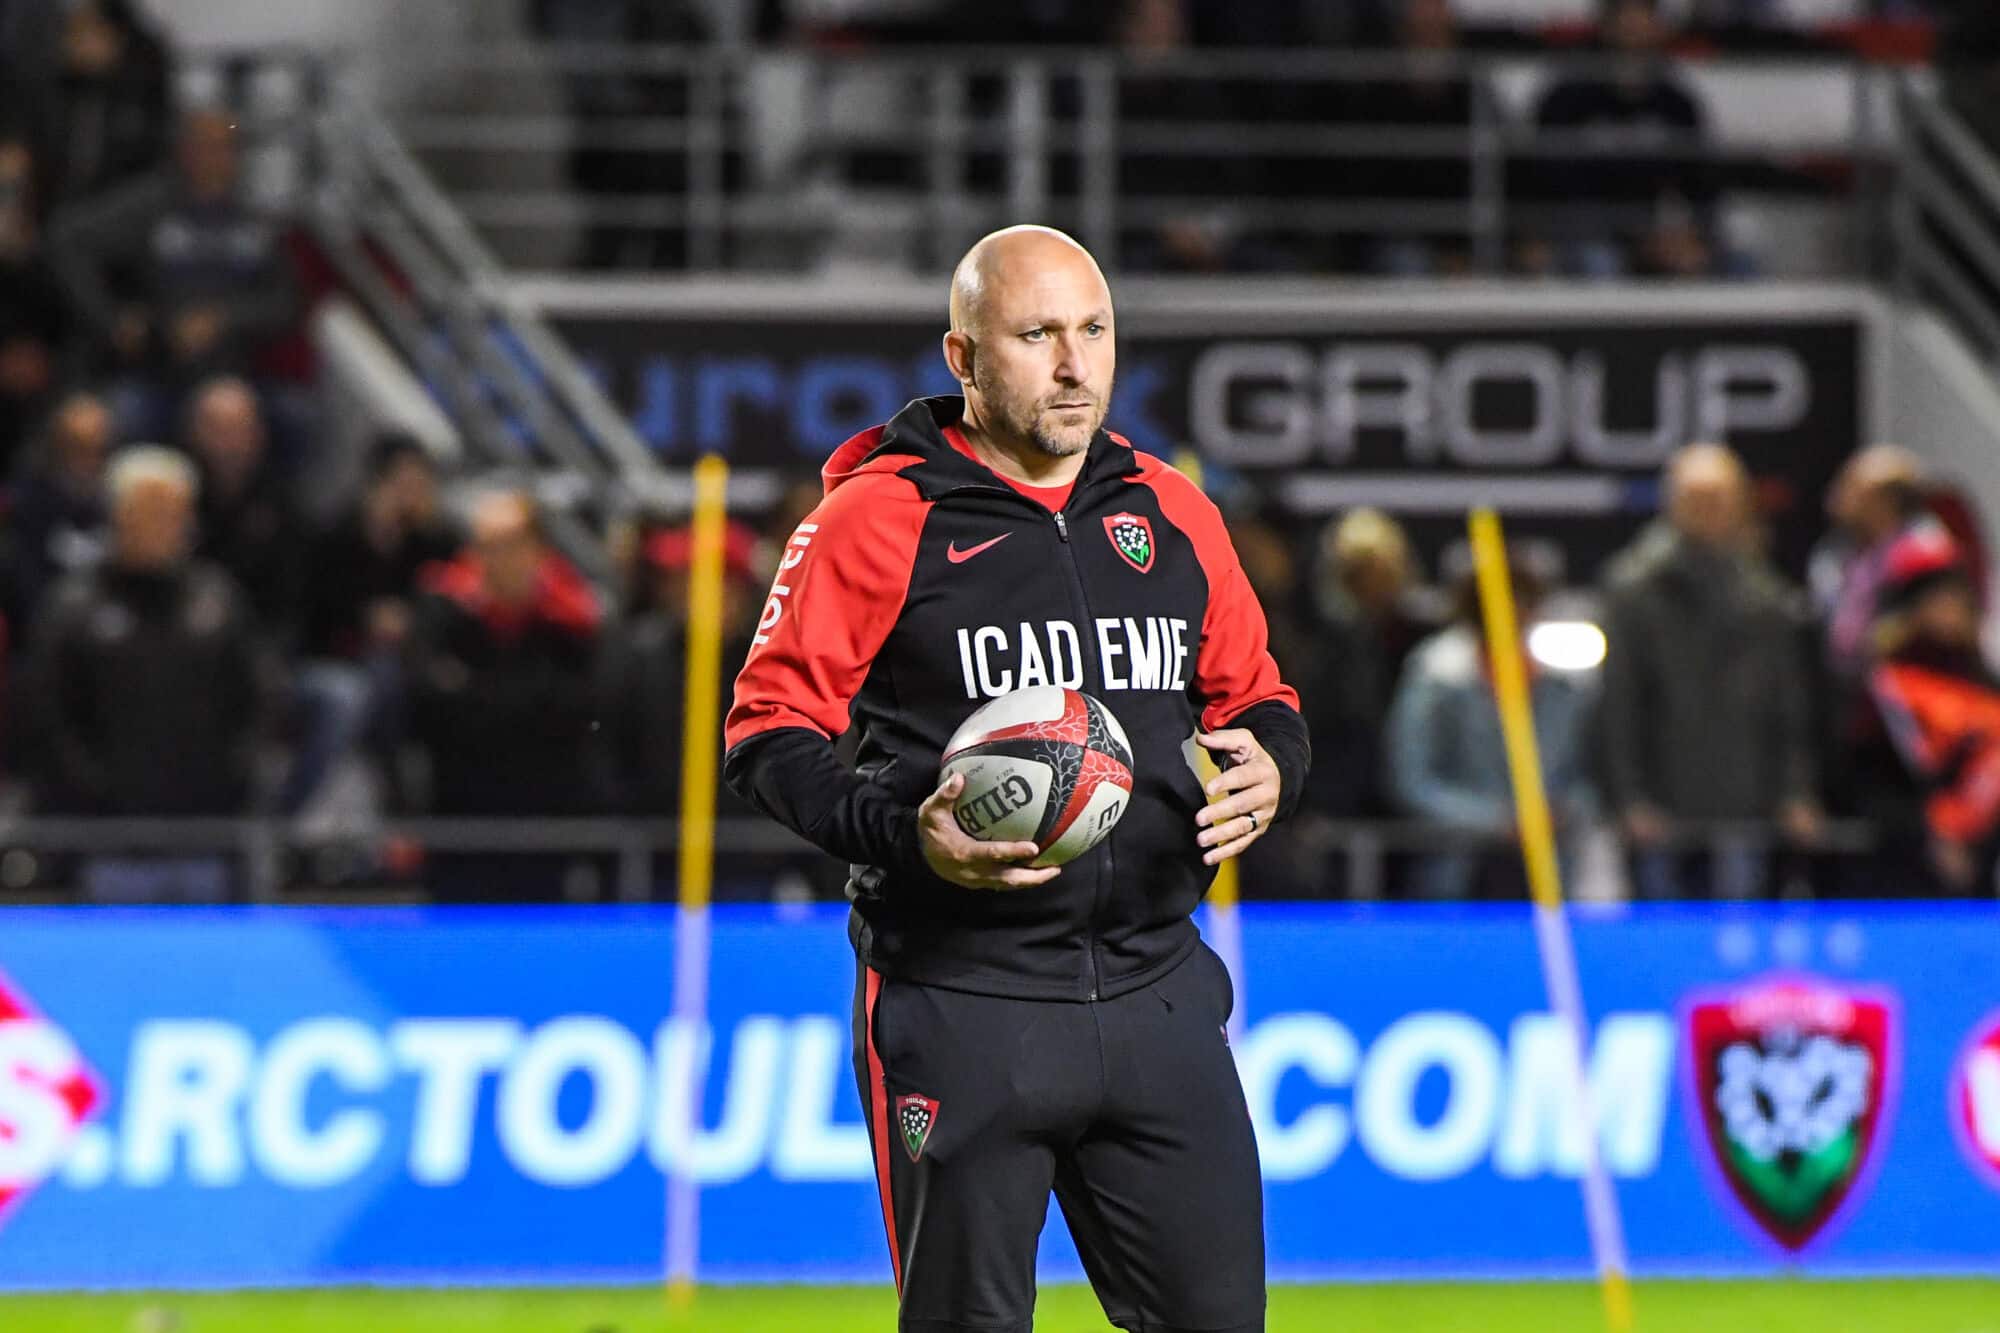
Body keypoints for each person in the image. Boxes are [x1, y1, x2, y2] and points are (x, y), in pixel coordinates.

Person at [725, 225, 1308, 1332]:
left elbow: (1259, 700)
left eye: (1092, 331)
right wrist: (907, 835)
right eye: (1036, 334)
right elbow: (766, 734)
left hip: (1158, 995)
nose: (1074, 363)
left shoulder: (1172, 511)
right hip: (962, 1002)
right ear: (962, 358)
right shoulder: (878, 517)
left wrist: (1271, 766)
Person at [1597, 444, 1822, 900]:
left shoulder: (1766, 596)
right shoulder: (1634, 591)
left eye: (1719, 498)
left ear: (1740, 503)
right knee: (1661, 942)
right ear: (1671, 503)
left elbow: (1788, 706)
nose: (1708, 511)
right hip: (1663, 806)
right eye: (1696, 498)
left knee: (1737, 948)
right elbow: (1618, 703)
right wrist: (1629, 797)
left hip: (1746, 804)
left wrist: (1794, 791)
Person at [21, 445, 262, 819]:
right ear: (116, 515)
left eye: (173, 512)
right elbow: (47, 712)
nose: (162, 524)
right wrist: (91, 787)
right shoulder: (73, 606)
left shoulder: (219, 599)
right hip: (97, 827)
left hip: (205, 819)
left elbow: (257, 698)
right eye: (148, 510)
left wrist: (229, 775)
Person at [407, 490, 610, 883]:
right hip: (458, 819)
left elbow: (580, 713)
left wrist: (475, 694)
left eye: (509, 545)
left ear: (538, 551)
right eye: (485, 545)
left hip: (546, 823)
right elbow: (427, 704)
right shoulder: (443, 613)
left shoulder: (572, 624)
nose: (495, 559)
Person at [48, 108, 299, 413]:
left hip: (235, 375)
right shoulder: (150, 206)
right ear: (183, 150)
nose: (216, 158)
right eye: (205, 146)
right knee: (121, 411)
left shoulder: (253, 219)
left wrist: (223, 319)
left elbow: (286, 302)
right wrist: (111, 319)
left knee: (294, 413)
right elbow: (67, 240)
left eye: (226, 147)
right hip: (157, 372)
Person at [1386, 560, 1596, 900]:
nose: (1513, 612)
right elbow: (1412, 778)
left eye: (1524, 602)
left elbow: (1588, 775)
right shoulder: (1436, 674)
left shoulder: (1562, 683)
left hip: (1549, 870)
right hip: (1456, 871)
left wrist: (1560, 811)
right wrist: (1497, 821)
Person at [286, 433, 461, 815]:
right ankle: (294, 812)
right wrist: (366, 616)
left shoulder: (437, 542)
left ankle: (433, 815)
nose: (411, 496)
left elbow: (451, 608)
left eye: (420, 485)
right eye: (403, 484)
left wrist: (409, 623)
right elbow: (309, 617)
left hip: (410, 664)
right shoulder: (334, 535)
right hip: (332, 660)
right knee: (358, 692)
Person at [1854, 538, 2000, 896]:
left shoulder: (1983, 680)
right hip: (1906, 864)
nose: (1950, 611)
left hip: (1984, 860)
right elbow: (1868, 779)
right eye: (1938, 600)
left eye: (1957, 600)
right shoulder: (1887, 683)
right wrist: (1931, 832)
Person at [1530, 0, 1717, 278]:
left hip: (1651, 229)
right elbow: (1548, 183)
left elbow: (1700, 183)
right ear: (1607, 26)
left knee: (1730, 262)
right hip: (1579, 230)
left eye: (1644, 20)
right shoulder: (1567, 96)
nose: (1635, 32)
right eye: (1626, 22)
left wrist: (1691, 236)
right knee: (1599, 262)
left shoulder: (1676, 101)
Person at [184, 376, 305, 640]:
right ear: (195, 432)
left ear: (258, 435)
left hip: (251, 639)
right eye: (218, 429)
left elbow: (288, 600)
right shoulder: (178, 494)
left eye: (239, 429)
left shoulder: (281, 503)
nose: (229, 443)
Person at [7, 390, 113, 633]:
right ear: (56, 447)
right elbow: (25, 581)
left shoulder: (117, 502)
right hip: (45, 627)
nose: (87, 459)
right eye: (76, 447)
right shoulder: (29, 503)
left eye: (97, 448)